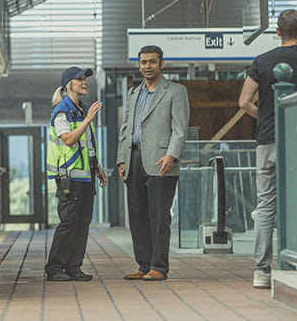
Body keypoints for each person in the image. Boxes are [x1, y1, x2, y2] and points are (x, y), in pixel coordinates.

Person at [237, 9, 297, 289]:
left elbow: (244, 102)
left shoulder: (262, 61)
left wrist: (267, 116)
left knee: (266, 205)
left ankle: (261, 270)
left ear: (278, 32)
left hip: (267, 140)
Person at [117, 45, 189, 281]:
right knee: (137, 215)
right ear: (138, 65)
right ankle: (143, 264)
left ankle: (159, 267)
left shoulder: (175, 91)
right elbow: (125, 129)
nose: (147, 66)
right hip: (134, 158)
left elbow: (180, 129)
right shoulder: (133, 93)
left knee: (159, 215)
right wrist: (121, 159)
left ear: (161, 64)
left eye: (152, 62)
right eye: (143, 62)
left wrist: (172, 155)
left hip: (161, 160)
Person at [45, 66, 108, 281]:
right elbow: (69, 140)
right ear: (68, 84)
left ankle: (74, 267)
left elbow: (86, 145)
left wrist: (97, 168)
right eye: (79, 79)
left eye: (85, 79)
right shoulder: (62, 111)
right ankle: (54, 269)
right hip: (69, 178)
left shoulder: (81, 109)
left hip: (85, 176)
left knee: (82, 223)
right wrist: (88, 120)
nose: (84, 82)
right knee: (69, 222)